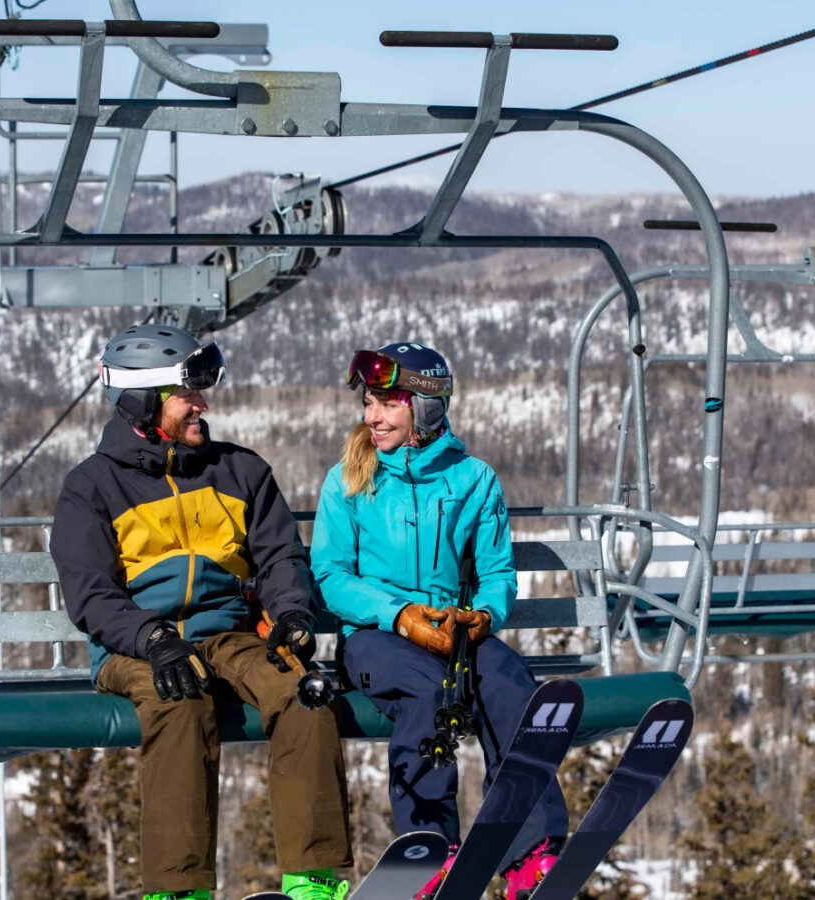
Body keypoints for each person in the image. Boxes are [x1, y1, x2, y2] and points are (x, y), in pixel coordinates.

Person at [50, 323, 353, 900]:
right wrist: (153, 636)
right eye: (188, 396)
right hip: (137, 646)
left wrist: (291, 613)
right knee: (179, 700)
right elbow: (89, 592)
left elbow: (281, 556)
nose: (203, 406)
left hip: (228, 636)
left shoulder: (240, 471)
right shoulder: (91, 488)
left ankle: (314, 880)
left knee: (305, 694)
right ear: (144, 400)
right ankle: (179, 889)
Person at [310, 342, 569, 900]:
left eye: (387, 405)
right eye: (369, 404)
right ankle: (430, 848)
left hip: (453, 634)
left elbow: (497, 571)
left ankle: (531, 852)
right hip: (375, 640)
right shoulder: (350, 481)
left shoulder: (473, 479)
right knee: (427, 691)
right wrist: (398, 615)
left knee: (509, 684)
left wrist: (483, 616)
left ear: (424, 408)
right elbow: (331, 576)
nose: (371, 417)